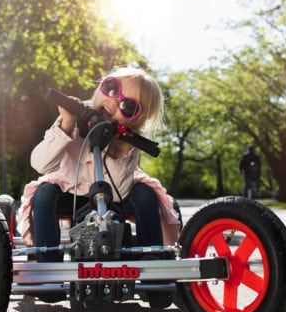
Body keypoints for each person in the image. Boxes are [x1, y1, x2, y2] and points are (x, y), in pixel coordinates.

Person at [16, 67, 181, 264]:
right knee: (43, 193)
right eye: (111, 89)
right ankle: (47, 259)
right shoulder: (75, 112)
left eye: (127, 106)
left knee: (145, 194)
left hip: (115, 196)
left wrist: (117, 148)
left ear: (137, 119)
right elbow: (40, 164)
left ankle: (153, 257)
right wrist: (67, 125)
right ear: (102, 84)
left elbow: (119, 189)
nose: (112, 102)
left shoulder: (129, 138)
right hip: (70, 189)